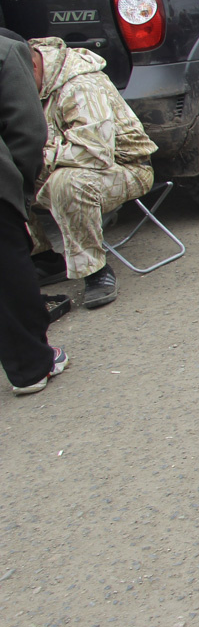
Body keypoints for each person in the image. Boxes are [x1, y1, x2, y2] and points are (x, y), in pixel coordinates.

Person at [27, 37, 157, 310]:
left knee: (67, 182)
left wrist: (34, 155)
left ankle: (95, 271)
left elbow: (94, 154)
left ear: (32, 66)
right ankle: (43, 258)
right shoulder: (25, 80)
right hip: (59, 165)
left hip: (124, 168)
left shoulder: (81, 84)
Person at [0, 29, 68, 396]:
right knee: (9, 276)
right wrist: (19, 189)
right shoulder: (7, 52)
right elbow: (27, 131)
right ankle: (31, 365)